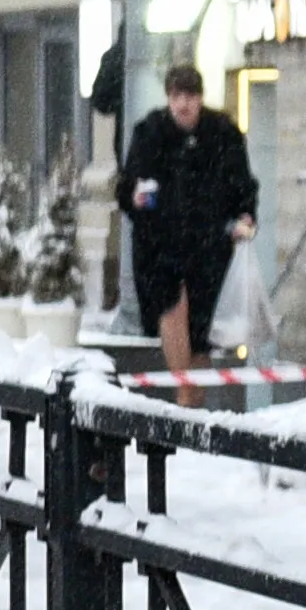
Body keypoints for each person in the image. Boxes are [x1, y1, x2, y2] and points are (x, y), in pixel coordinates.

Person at [118, 58, 257, 390]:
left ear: (200, 98)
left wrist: (245, 215)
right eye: (177, 96)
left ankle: (191, 400)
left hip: (208, 246)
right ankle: (186, 394)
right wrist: (136, 200)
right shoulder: (150, 133)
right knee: (171, 309)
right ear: (168, 98)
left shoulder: (222, 133)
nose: (183, 104)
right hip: (160, 245)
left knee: (201, 329)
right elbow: (127, 186)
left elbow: (242, 183)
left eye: (190, 96)